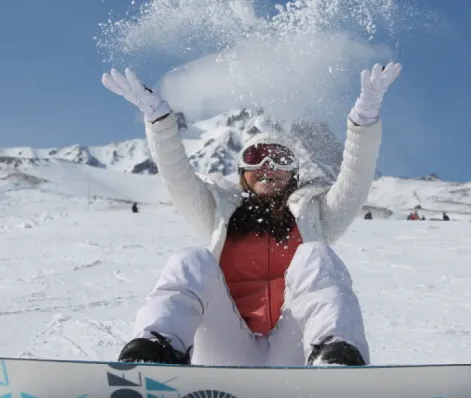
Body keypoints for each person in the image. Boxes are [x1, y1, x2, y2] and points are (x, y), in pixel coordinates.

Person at [101, 62, 401, 367]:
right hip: (227, 346)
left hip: (293, 350)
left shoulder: (316, 217)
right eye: (255, 159)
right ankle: (155, 352)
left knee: (317, 255)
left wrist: (363, 122)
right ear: (243, 174)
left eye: (280, 160)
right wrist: (159, 120)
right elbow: (177, 176)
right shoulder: (219, 214)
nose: (267, 168)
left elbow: (354, 181)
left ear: (293, 175)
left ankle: (335, 358)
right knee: (190, 259)